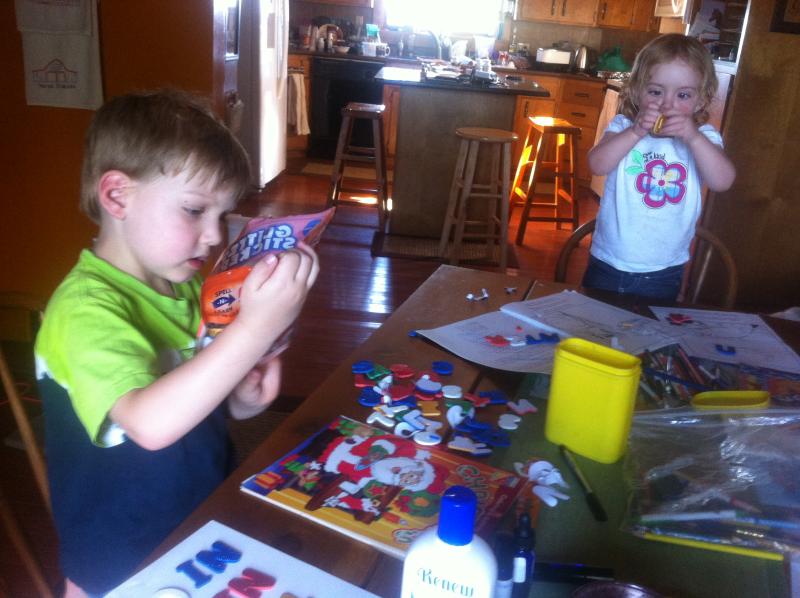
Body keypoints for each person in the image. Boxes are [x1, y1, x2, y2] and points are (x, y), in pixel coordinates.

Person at [34, 89, 319, 596]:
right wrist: (253, 330)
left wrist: (245, 391)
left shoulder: (185, 287)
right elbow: (150, 424)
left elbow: (203, 404)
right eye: (194, 210)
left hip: (200, 521)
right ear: (117, 196)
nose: (214, 236)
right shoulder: (83, 310)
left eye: (222, 215)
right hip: (118, 558)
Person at [585, 33, 736, 301]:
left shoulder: (704, 137)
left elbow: (723, 181)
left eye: (683, 95)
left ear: (701, 100)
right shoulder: (623, 126)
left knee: (647, 329)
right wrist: (635, 132)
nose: (667, 104)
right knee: (594, 324)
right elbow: (596, 165)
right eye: (655, 92)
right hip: (607, 262)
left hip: (664, 270)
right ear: (637, 91)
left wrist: (692, 137)